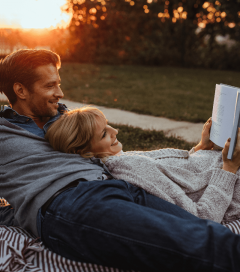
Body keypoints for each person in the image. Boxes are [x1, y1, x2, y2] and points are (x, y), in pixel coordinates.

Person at [1, 49, 240, 272]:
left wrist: (199, 149)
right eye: (50, 86)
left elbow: (116, 156)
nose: (60, 93)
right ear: (21, 91)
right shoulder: (4, 133)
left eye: (59, 84)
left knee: (207, 230)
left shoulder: (64, 117)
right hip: (71, 200)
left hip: (119, 185)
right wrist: (19, 213)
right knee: (201, 245)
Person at [45, 106, 240, 224]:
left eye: (108, 124)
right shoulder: (128, 167)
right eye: (104, 133)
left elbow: (177, 175)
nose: (115, 131)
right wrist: (229, 168)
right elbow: (201, 217)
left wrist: (201, 147)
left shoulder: (121, 159)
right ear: (86, 152)